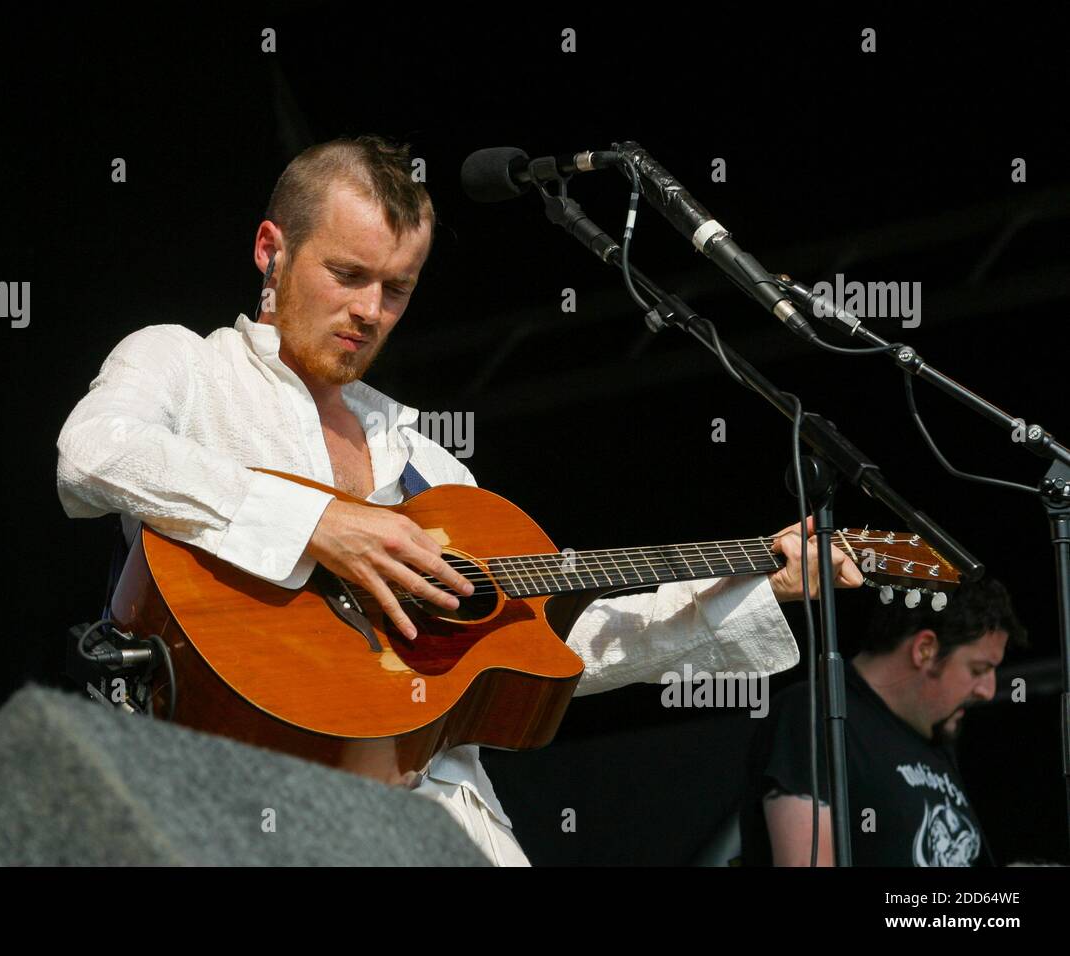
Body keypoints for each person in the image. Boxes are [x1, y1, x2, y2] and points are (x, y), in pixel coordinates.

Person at [56, 133, 864, 865]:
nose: (370, 311)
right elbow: (92, 455)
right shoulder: (186, 367)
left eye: (397, 289)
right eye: (347, 274)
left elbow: (554, 655)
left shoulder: (430, 467)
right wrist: (321, 525)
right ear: (272, 248)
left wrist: (764, 581)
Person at [740, 577, 1028, 866]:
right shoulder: (814, 713)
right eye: (979, 669)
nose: (987, 691)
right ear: (924, 649)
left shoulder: (931, 736)